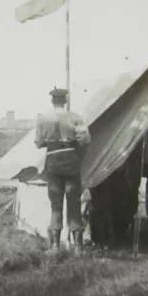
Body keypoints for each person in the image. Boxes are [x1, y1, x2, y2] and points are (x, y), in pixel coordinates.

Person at [35, 88, 91, 252]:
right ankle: (78, 247)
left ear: (52, 101)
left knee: (55, 205)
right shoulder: (75, 117)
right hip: (70, 160)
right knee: (74, 202)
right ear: (65, 101)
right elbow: (85, 140)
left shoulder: (43, 118)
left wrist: (51, 141)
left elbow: (38, 143)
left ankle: (54, 246)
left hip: (52, 160)